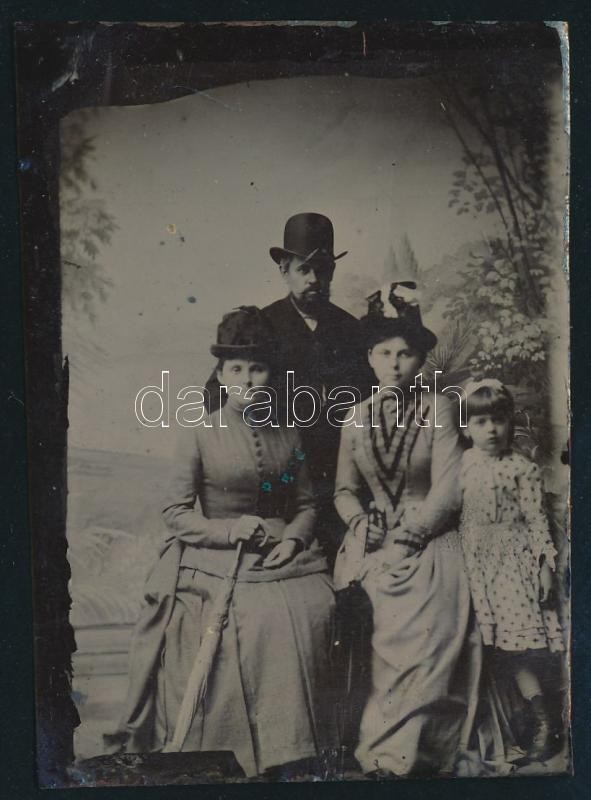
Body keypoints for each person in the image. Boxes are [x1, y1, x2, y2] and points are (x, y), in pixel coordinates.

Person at [106, 307, 337, 778]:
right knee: (254, 618)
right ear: (220, 374)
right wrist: (228, 531)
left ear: (270, 374)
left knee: (317, 604)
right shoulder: (200, 433)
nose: (247, 380)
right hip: (213, 554)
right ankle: (246, 751)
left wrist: (294, 540)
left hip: (283, 555)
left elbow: (307, 504)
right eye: (236, 369)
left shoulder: (288, 434)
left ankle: (298, 747)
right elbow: (176, 512)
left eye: (257, 368)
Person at [332, 285, 484, 777]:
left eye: (405, 353)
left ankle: (411, 752)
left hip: (429, 540)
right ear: (369, 357)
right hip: (372, 541)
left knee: (425, 632)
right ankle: (375, 750)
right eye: (384, 353)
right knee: (367, 616)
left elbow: (449, 490)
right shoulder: (355, 417)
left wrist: (406, 539)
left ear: (419, 359)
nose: (394, 364)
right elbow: (343, 490)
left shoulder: (439, 408)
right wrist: (361, 524)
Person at [205, 213, 373, 565]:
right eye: (304, 269)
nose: (314, 279)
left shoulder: (351, 330)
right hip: (281, 489)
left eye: (322, 270)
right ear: (284, 270)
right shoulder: (262, 324)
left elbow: (371, 402)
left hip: (341, 481)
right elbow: (216, 395)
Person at [458, 379, 565, 763]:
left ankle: (544, 720)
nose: (491, 429)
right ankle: (499, 723)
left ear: (510, 422)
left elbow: (537, 520)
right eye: (481, 421)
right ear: (466, 428)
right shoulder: (462, 465)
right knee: (481, 651)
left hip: (511, 568)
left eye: (499, 420)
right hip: (472, 565)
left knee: (515, 652)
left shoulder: (522, 468)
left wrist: (544, 566)